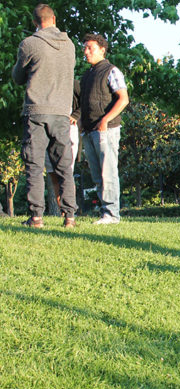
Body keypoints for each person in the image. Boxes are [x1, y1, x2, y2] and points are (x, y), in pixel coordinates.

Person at [11, 3, 77, 228]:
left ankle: (36, 217)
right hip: (61, 112)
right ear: (54, 19)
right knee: (64, 165)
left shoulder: (29, 44)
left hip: (36, 111)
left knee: (34, 165)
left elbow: (18, 77)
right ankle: (69, 217)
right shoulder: (69, 45)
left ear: (34, 22)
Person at [80, 33, 129, 224]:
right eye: (84, 48)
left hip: (106, 130)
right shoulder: (86, 75)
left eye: (89, 48)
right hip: (89, 130)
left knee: (107, 172)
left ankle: (112, 214)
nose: (85, 52)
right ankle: (104, 212)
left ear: (102, 49)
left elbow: (123, 99)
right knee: (97, 175)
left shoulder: (111, 71)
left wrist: (105, 121)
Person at [46, 80, 81, 210]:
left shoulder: (73, 83)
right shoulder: (46, 82)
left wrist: (75, 116)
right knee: (53, 173)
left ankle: (70, 210)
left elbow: (85, 101)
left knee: (67, 172)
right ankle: (62, 210)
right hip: (48, 130)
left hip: (68, 129)